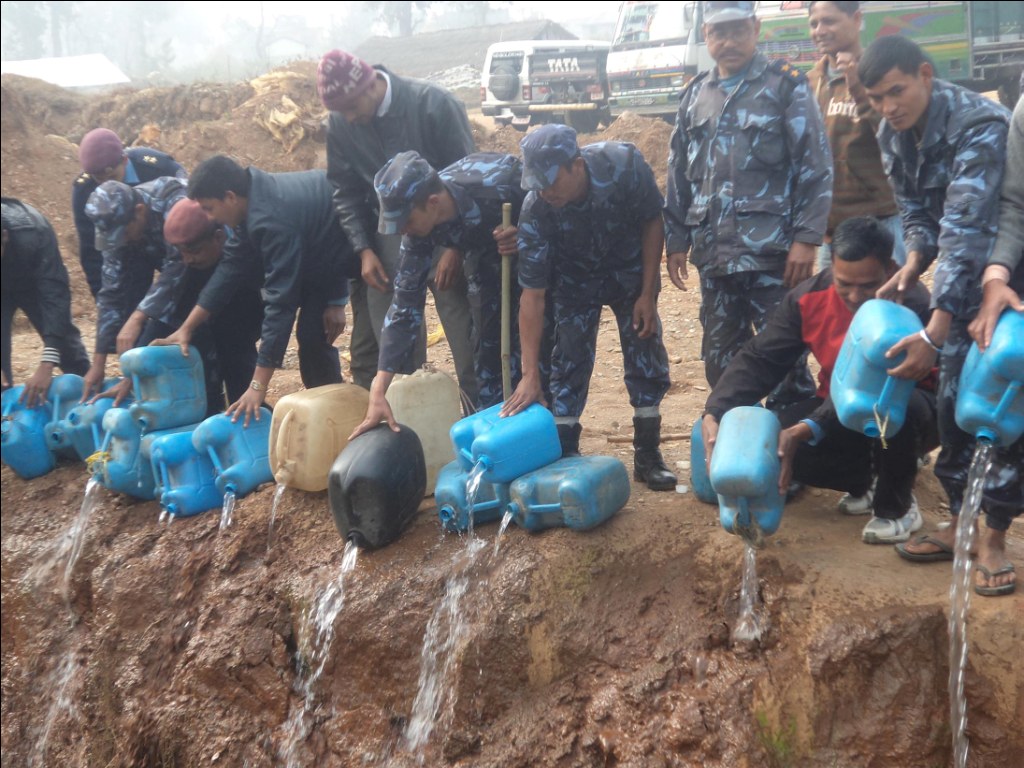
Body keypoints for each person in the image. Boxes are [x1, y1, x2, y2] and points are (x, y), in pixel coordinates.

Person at [855, 36, 1017, 596]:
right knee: (952, 403)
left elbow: (969, 228)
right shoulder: (890, 133)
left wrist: (935, 328)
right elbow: (916, 212)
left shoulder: (980, 124)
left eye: (896, 91)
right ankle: (959, 521)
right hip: (957, 281)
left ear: (924, 74)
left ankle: (993, 536)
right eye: (876, 98)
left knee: (1000, 406)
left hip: (1006, 279)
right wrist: (914, 262)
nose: (888, 107)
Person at [701, 217, 939, 544]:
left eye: (867, 285)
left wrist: (810, 425)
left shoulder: (909, 303)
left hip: (911, 406)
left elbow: (876, 385)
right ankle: (869, 479)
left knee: (884, 408)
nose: (855, 297)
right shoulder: (809, 298)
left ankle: (896, 507)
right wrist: (716, 409)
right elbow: (762, 357)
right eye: (845, 284)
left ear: (890, 266)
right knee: (776, 441)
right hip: (838, 406)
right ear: (832, 264)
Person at [665, 0, 832, 412]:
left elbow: (816, 165)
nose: (729, 41)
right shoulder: (694, 96)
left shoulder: (785, 86)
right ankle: (737, 454)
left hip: (773, 255)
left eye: (739, 30)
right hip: (715, 255)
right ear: (706, 36)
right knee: (721, 360)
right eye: (719, 32)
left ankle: (789, 459)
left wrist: (807, 238)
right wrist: (676, 240)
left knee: (785, 359)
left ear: (756, 29)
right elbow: (677, 175)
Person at [500, 124, 676, 491]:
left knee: (644, 349)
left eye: (551, 181)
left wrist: (648, 293)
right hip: (575, 281)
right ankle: (565, 454)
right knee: (568, 359)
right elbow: (531, 296)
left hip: (629, 271)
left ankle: (648, 454)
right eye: (538, 184)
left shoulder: (623, 165)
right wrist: (530, 373)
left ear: (576, 165)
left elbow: (652, 220)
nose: (546, 192)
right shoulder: (537, 209)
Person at [351, 150, 553, 438]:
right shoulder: (418, 232)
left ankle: (549, 436)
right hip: (483, 263)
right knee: (487, 353)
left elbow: (558, 214)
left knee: (540, 355)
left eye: (406, 222)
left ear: (433, 203)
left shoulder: (502, 181)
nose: (403, 232)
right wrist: (379, 387)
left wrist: (527, 234)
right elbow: (405, 306)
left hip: (535, 270)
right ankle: (496, 441)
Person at [317, 49, 478, 402]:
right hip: (389, 233)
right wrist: (364, 250)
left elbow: (469, 176)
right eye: (340, 111)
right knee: (394, 339)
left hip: (447, 224)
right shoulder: (342, 123)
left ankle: (482, 416)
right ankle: (409, 425)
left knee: (466, 333)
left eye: (352, 107)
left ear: (370, 85)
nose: (349, 117)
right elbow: (344, 190)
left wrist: (455, 246)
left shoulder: (433, 103)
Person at [187, 155, 358, 424]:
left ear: (230, 197)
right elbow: (230, 268)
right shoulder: (252, 200)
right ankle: (326, 417)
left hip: (352, 253)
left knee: (315, 339)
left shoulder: (272, 217)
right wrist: (186, 328)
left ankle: (335, 417)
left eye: (209, 208)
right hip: (317, 255)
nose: (211, 218)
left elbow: (281, 303)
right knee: (311, 337)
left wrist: (258, 387)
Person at [805, 0, 905, 268]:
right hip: (833, 232)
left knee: (886, 305)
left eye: (829, 21)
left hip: (881, 224)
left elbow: (898, 137)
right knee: (838, 307)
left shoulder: (881, 74)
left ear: (857, 19)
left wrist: (859, 87)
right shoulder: (810, 82)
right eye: (814, 23)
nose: (820, 30)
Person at [149, 198, 264, 412]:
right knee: (204, 390)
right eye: (181, 252)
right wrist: (135, 368)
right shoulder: (188, 256)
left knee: (242, 382)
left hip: (241, 315)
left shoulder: (250, 246)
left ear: (218, 237)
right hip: (199, 326)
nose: (187, 259)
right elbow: (164, 314)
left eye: (193, 251)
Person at [82, 177, 190, 400]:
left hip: (211, 267)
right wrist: (98, 361)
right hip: (166, 266)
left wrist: (138, 317)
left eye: (124, 234)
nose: (121, 241)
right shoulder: (118, 226)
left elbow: (179, 267)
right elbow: (111, 292)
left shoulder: (173, 203)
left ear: (140, 212)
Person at [73, 128, 186, 298]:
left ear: (124, 160)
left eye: (112, 176)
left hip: (169, 243)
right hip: (122, 250)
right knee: (125, 304)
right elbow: (91, 251)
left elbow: (191, 223)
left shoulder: (160, 169)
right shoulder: (84, 191)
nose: (106, 184)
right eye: (99, 180)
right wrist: (102, 297)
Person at [2, 197, 90, 404]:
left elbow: (55, 296)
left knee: (65, 345)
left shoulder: (34, 233)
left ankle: (88, 396)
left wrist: (48, 362)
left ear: (4, 236)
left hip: (33, 279)